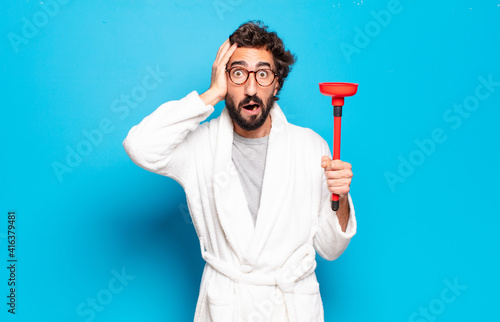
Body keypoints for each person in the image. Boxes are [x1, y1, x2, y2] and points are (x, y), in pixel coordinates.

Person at [123, 20, 357, 322]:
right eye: (237, 74)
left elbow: (331, 248)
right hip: (228, 308)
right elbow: (140, 145)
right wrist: (210, 94)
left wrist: (340, 196)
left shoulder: (311, 147)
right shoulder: (199, 147)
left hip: (292, 310)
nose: (250, 88)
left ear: (277, 83)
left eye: (262, 74)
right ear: (224, 79)